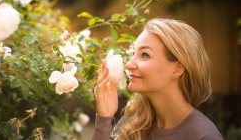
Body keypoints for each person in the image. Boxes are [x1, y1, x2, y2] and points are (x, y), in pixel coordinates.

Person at [92, 18, 223, 140]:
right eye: (134, 53)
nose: (129, 65)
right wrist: (105, 117)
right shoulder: (132, 124)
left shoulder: (204, 136)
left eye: (145, 55)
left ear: (177, 68)